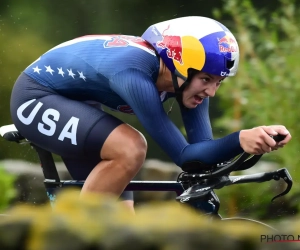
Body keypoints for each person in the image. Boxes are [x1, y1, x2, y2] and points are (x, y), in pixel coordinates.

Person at [10, 16, 291, 213]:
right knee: (131, 147)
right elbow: (184, 155)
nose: (212, 92)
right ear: (181, 66)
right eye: (206, 79)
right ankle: (72, 236)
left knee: (122, 225)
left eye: (219, 81)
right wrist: (239, 138)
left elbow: (199, 160)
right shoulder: (133, 72)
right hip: (36, 96)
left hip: (79, 103)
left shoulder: (187, 82)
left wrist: (258, 141)